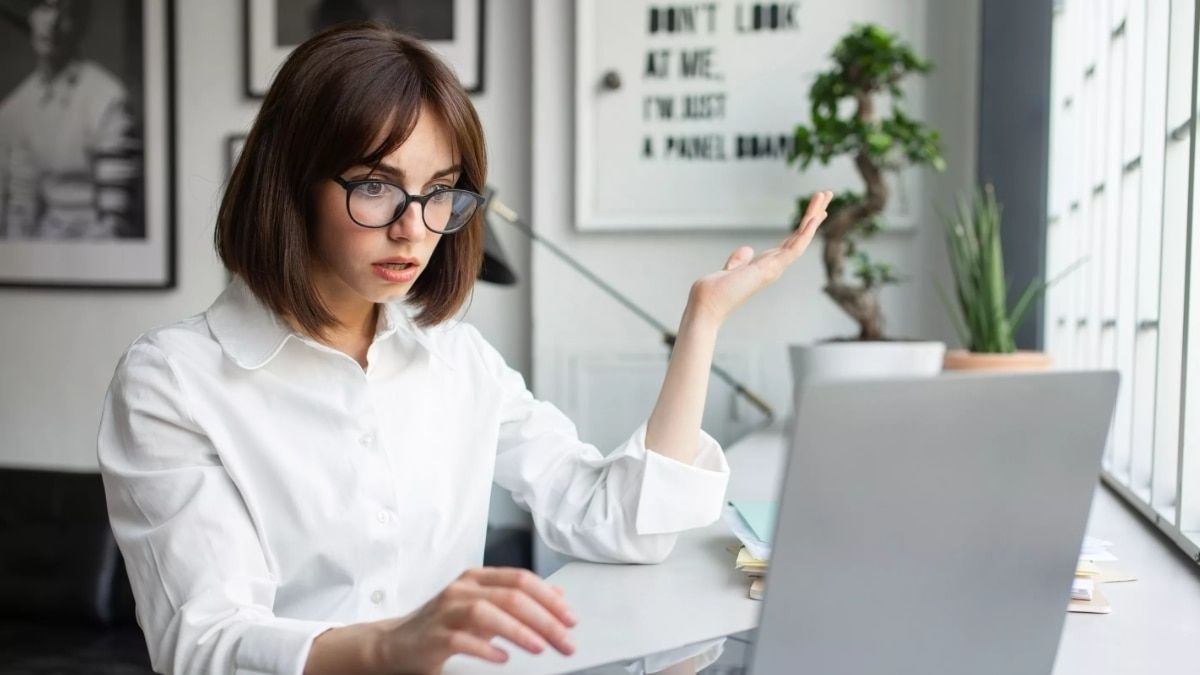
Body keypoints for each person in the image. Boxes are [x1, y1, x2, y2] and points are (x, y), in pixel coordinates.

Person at [96, 23, 832, 675]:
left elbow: (619, 519)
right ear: (291, 183)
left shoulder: (458, 361)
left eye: (441, 191)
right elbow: (205, 644)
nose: (415, 228)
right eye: (377, 187)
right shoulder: (174, 382)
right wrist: (388, 647)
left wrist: (702, 320)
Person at [0, 0, 138, 239]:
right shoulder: (15, 107)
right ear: (31, 16)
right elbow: (19, 207)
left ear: (80, 24)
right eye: (44, 7)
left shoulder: (106, 99)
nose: (52, 23)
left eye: (65, 12)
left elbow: (115, 222)